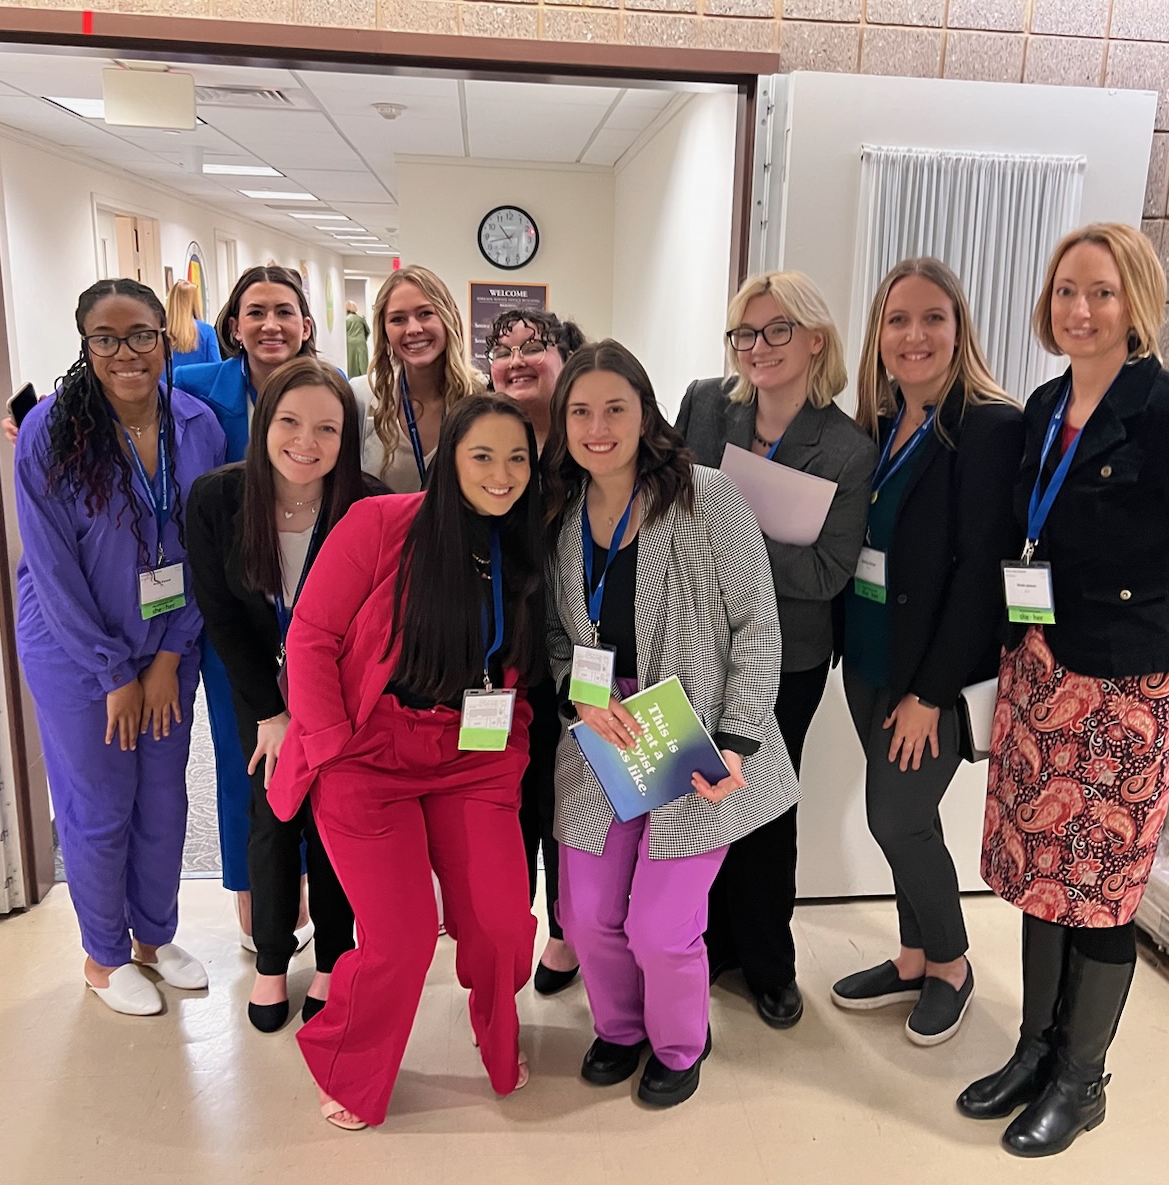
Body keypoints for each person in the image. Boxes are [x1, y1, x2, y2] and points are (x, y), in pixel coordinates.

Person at [959, 223, 1169, 1156]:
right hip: (1041, 672)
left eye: (1102, 293)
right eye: (1065, 293)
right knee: (1043, 876)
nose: (1079, 311)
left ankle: (1082, 1079)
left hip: (1129, 686)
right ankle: (1035, 1050)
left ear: (1137, 305)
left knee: (1101, 887)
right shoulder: (1045, 408)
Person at [268, 392, 547, 1130]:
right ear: (449, 456)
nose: (501, 473)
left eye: (517, 457)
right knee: (401, 936)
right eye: (481, 455)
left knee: (502, 924)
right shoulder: (381, 524)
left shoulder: (523, 543)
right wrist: (326, 749)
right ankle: (351, 1063)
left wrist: (512, 747)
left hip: (475, 753)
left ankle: (499, 1036)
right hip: (367, 751)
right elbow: (311, 638)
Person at [544, 340, 800, 1108]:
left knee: (661, 925)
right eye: (580, 411)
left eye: (615, 408)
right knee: (584, 913)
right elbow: (560, 639)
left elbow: (758, 625)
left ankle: (681, 1042)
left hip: (692, 728)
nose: (598, 426)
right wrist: (576, 695)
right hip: (605, 729)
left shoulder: (706, 495)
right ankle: (620, 1030)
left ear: (645, 413)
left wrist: (737, 738)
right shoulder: (560, 516)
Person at [13, 278, 226, 1015]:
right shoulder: (50, 431)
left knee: (164, 796)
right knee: (100, 802)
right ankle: (103, 957)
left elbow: (208, 548)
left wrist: (168, 656)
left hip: (171, 643)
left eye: (141, 334)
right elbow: (51, 567)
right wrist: (112, 671)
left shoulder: (197, 424)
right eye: (106, 338)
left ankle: (153, 938)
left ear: (166, 337)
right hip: (78, 652)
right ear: (86, 347)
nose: (126, 352)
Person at [674, 271, 877, 1030]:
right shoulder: (704, 404)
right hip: (694, 644)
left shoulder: (847, 448)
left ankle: (768, 964)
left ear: (815, 340)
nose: (758, 348)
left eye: (777, 331)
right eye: (745, 333)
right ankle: (709, 941)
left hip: (787, 656)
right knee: (695, 791)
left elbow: (827, 570)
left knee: (762, 807)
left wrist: (730, 542)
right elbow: (663, 494)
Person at [829, 258, 1023, 1045]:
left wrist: (933, 693)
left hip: (928, 676)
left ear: (959, 328)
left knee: (898, 819)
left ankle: (949, 964)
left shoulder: (989, 428)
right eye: (898, 320)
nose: (915, 336)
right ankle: (912, 955)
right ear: (879, 335)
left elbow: (982, 576)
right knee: (900, 821)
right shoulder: (874, 427)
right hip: (869, 655)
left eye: (932, 318)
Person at [187, 358, 389, 1033]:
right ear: (263, 423)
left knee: (336, 821)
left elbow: (374, 619)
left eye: (327, 429)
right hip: (261, 688)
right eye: (291, 422)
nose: (307, 442)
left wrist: (322, 708)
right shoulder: (218, 500)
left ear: (346, 436)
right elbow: (219, 614)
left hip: (339, 691)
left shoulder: (368, 502)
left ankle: (334, 958)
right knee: (271, 815)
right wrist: (272, 712)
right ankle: (272, 963)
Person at [176, 265, 323, 951]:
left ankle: (313, 884)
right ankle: (258, 891)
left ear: (306, 323)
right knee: (249, 756)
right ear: (232, 324)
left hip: (314, 614)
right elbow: (125, 399)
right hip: (236, 611)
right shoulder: (198, 388)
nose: (271, 325)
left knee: (317, 757)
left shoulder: (329, 395)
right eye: (256, 311)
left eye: (284, 311)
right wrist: (32, 417)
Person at [485, 307, 587, 996]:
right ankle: (505, 928)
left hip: (581, 667)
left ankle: (567, 931)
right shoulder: (487, 441)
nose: (518, 359)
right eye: (504, 348)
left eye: (535, 348)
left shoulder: (590, 447)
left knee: (568, 805)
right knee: (507, 805)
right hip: (501, 667)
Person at [354, 265, 486, 493]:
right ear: (384, 331)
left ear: (449, 318)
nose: (413, 329)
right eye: (398, 319)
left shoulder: (482, 396)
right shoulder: (362, 396)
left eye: (425, 313)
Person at [166, 279, 222, 371]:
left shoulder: (160, 332)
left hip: (167, 385)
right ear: (195, 303)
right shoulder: (207, 331)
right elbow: (216, 369)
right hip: (200, 385)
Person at [345, 299, 370, 380]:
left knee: (352, 363)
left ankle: (352, 380)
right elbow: (368, 331)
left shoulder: (346, 320)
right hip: (361, 341)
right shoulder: (360, 319)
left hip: (349, 343)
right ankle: (365, 379)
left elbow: (343, 332)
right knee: (362, 362)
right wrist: (363, 338)